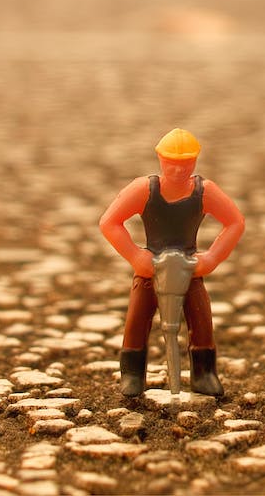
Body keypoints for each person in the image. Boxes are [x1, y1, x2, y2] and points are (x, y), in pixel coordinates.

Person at [98, 128, 246, 398]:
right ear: (160, 159)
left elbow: (235, 222)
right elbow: (109, 222)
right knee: (137, 318)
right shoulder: (144, 189)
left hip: (189, 267)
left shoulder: (205, 191)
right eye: (172, 164)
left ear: (195, 162)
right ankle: (132, 373)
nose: (178, 171)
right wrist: (136, 256)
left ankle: (204, 373)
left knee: (201, 317)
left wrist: (211, 258)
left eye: (185, 164)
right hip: (150, 268)